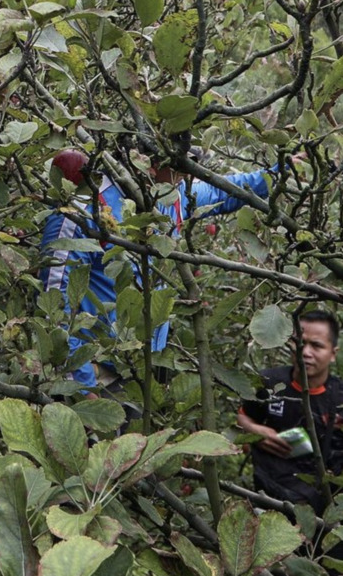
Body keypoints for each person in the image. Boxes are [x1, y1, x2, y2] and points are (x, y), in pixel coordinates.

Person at [38, 153, 274, 390]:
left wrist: (279, 173)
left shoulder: (171, 196)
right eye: (180, 165)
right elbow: (55, 303)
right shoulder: (84, 210)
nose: (188, 174)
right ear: (147, 162)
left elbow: (223, 190)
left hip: (143, 363)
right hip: (100, 371)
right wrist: (81, 386)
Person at [237, 309, 343, 515]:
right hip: (272, 498)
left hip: (327, 508)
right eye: (300, 343)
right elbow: (242, 416)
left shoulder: (339, 397)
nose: (306, 352)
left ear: (333, 354)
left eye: (317, 345)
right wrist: (256, 432)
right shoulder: (269, 382)